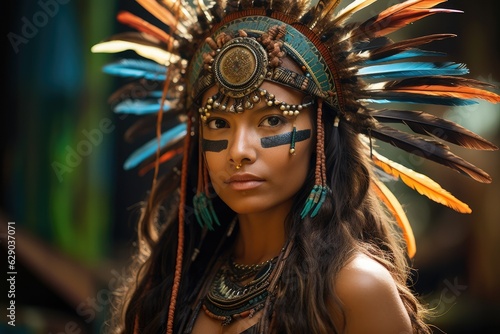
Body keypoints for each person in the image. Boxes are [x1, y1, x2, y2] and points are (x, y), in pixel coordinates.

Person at [91, 0, 499, 333]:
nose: (239, 150)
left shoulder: (357, 289)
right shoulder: (174, 282)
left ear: (322, 132)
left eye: (272, 119)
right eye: (219, 122)